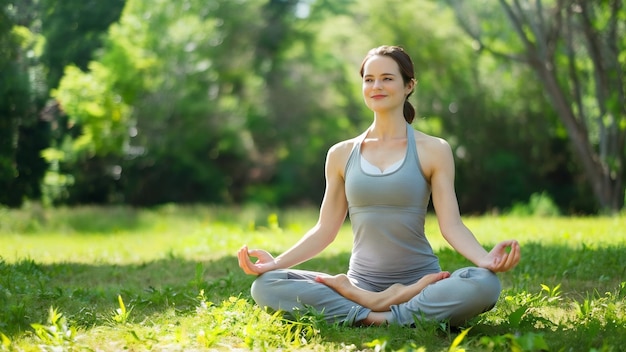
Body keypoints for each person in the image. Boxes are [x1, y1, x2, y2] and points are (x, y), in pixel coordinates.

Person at [238, 45, 520, 327]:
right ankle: (385, 312)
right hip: (359, 284)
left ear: (409, 85)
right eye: (369, 79)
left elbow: (452, 226)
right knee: (266, 285)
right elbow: (325, 229)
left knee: (484, 284)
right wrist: (276, 264)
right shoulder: (341, 153)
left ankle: (368, 313)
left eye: (387, 78)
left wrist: (485, 260)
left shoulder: (434, 149)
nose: (376, 86)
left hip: (422, 283)